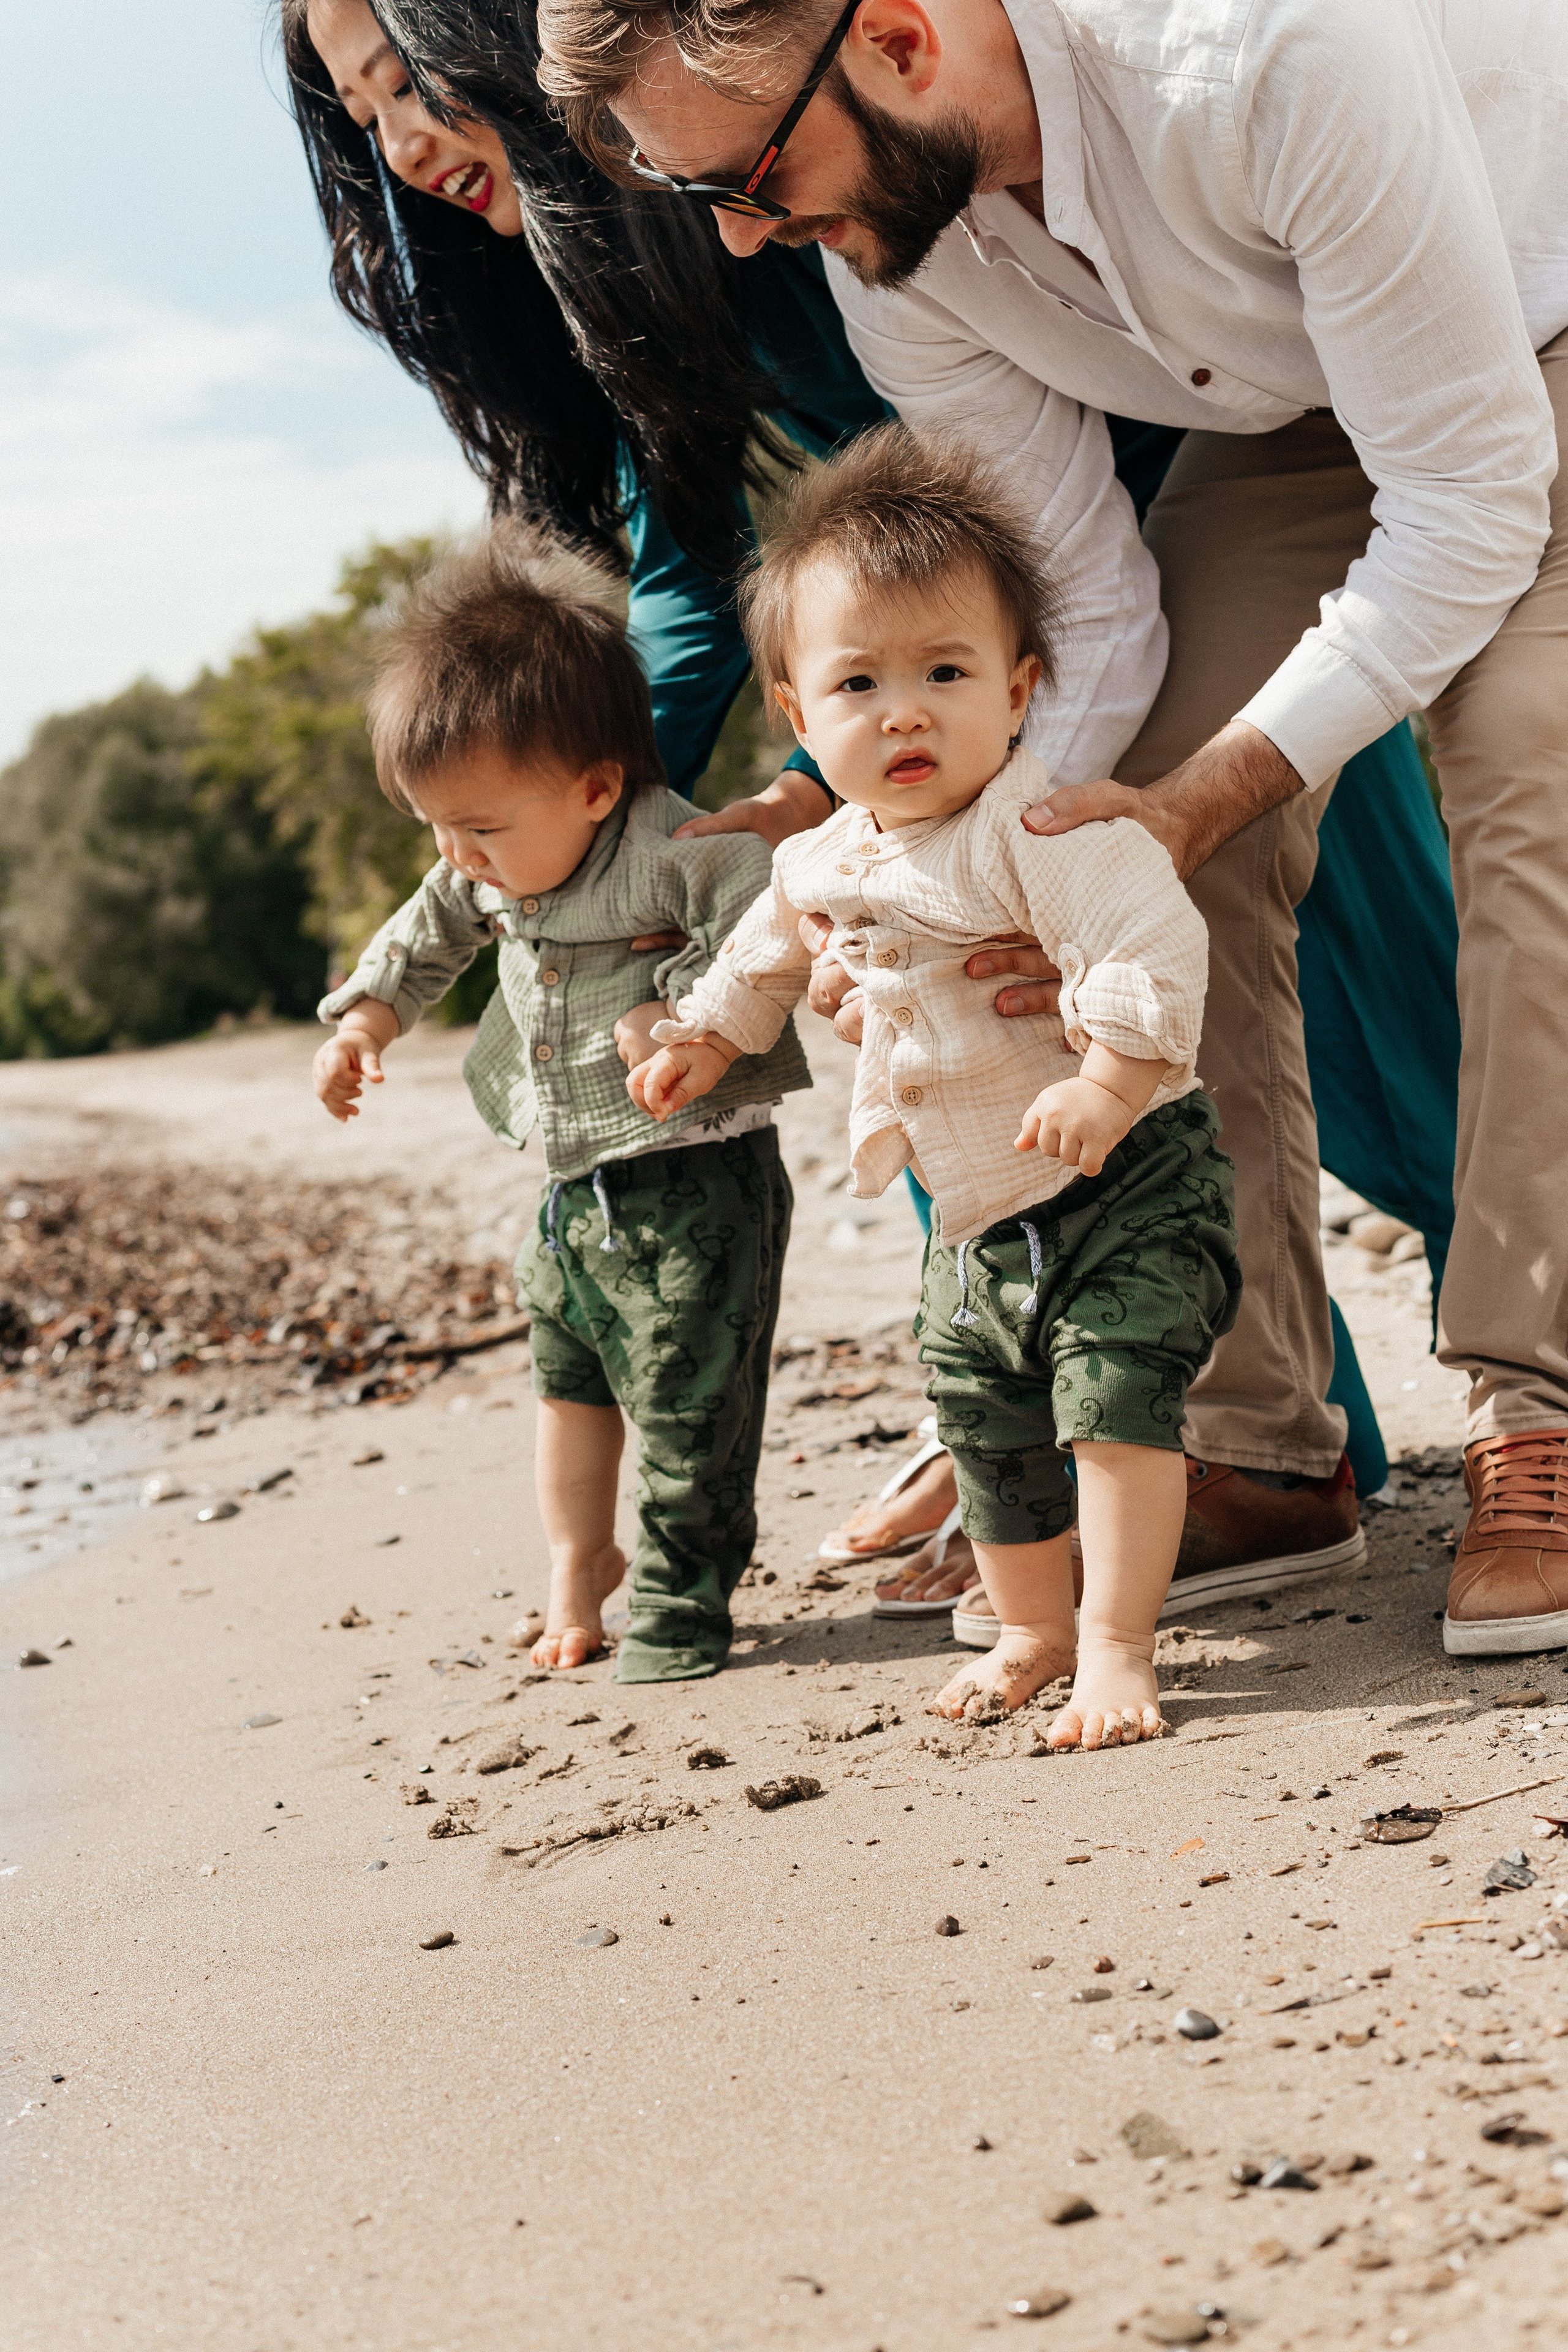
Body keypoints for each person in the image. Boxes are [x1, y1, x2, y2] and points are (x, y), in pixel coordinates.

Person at [286, 0, 1463, 1633]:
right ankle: (1186, 1435)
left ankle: (1487, 1363)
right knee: (961, 1012)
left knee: (1389, 1011)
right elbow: (684, 560)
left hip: (1139, 510)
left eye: (406, 83)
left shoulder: (784, 143)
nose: (402, 142)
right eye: (358, 116)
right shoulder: (643, 236)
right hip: (921, 664)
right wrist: (620, 801)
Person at [631, 427, 1240, 1741]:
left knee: (1110, 1403)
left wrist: (1110, 1080)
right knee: (987, 1422)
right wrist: (702, 1039)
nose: (903, 711)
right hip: (968, 1215)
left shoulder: (1036, 829)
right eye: (856, 683)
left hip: (1120, 1174)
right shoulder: (818, 860)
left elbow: (1150, 941)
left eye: (944, 672)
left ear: (1018, 692)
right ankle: (1028, 1629)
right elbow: (763, 957)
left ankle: (1118, 1644)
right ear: (797, 717)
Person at [312, 532, 809, 1681]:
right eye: (439, 827)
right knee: (568, 1380)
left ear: (596, 787)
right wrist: (366, 1023)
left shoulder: (677, 850)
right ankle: (578, 1567)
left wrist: (689, 1013)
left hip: (698, 1178)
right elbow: (427, 930)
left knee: (692, 1407)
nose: (459, 855)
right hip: (571, 1184)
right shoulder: (490, 859)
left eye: (480, 829)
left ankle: (685, 1596)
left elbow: (764, 926)